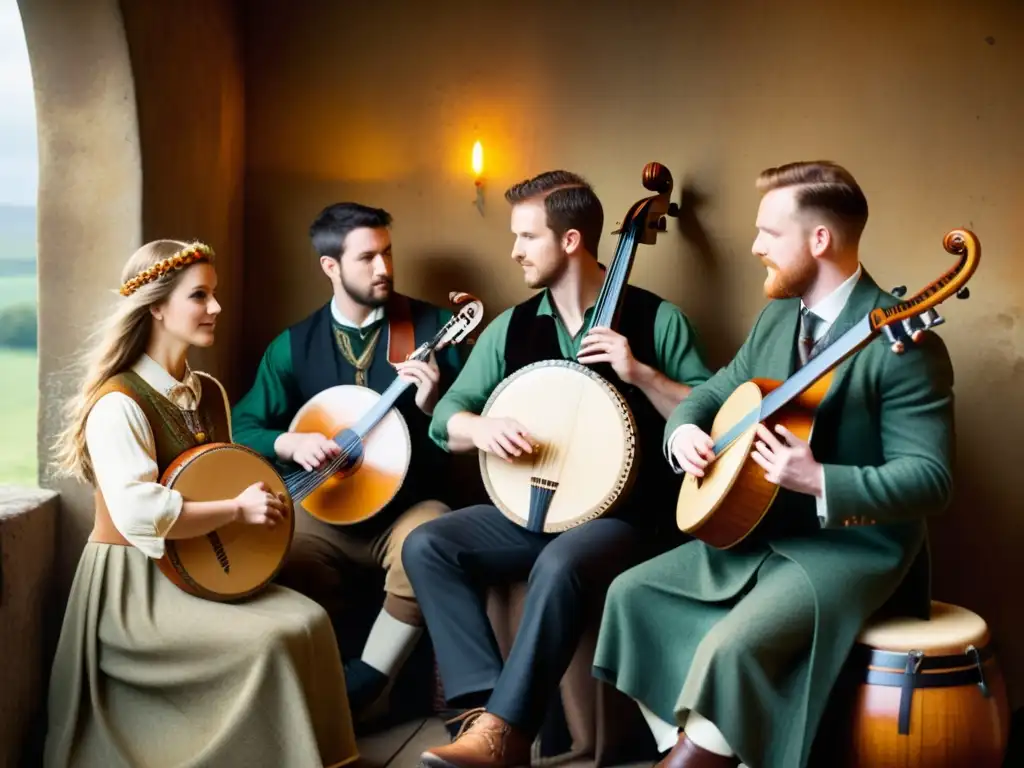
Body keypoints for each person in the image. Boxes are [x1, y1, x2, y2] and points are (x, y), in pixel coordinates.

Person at [592, 161, 957, 768]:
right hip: (763, 531)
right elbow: (713, 393)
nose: (756, 247)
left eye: (770, 233)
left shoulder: (904, 343)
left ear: (819, 240)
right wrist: (682, 433)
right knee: (630, 595)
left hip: (851, 547)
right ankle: (695, 751)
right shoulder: (777, 317)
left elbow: (932, 480)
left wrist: (818, 480)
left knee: (735, 646)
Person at [401, 170, 713, 767]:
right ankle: (485, 715)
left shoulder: (656, 320)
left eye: (526, 236)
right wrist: (482, 428)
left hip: (626, 519)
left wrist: (642, 373)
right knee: (428, 544)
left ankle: (505, 733)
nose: (513, 250)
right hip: (530, 511)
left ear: (570, 241)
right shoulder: (512, 327)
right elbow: (448, 420)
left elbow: (710, 419)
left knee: (561, 561)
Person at [45, 240, 359, 768]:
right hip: (134, 589)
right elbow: (140, 512)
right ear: (157, 308)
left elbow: (223, 475)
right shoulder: (118, 403)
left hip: (197, 569)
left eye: (214, 295)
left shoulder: (208, 392)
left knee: (310, 621)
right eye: (200, 296)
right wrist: (237, 511)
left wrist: (259, 511)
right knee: (273, 638)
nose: (215, 308)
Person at [231, 202, 463, 717]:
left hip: (406, 509)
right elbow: (242, 426)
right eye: (367, 258)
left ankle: (366, 688)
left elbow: (476, 418)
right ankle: (303, 698)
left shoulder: (435, 328)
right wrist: (289, 444)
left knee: (429, 541)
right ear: (330, 266)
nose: (384, 269)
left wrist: (433, 405)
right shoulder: (292, 346)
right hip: (326, 512)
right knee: (275, 557)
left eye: (387, 253)